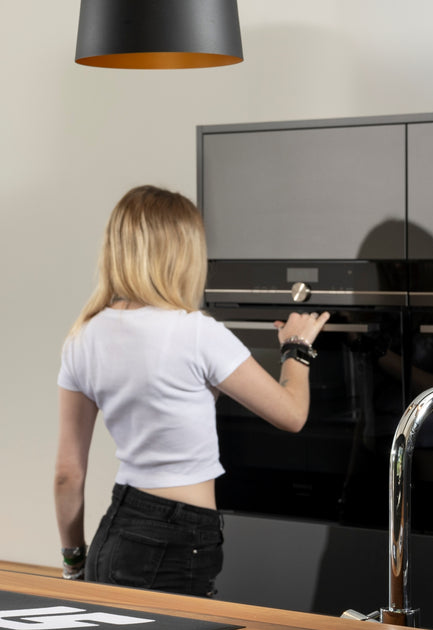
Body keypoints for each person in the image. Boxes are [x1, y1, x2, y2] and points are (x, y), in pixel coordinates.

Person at [54, 185, 328, 596]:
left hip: (116, 530)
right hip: (176, 539)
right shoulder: (196, 333)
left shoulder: (83, 336)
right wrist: (296, 348)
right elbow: (291, 415)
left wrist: (73, 562)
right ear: (183, 253)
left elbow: (67, 473)